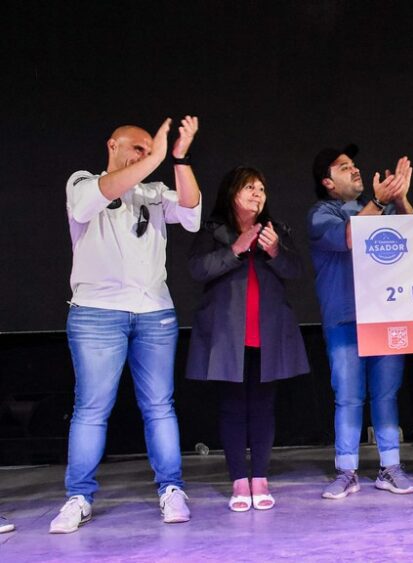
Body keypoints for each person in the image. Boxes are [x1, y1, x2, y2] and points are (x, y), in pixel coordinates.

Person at [51, 117, 201, 534]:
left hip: (154, 312)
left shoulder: (153, 192)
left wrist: (179, 158)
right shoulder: (83, 182)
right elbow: (95, 199)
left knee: (159, 406)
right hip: (96, 313)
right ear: (112, 145)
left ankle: (171, 489)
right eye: (137, 148)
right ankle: (78, 497)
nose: (143, 156)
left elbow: (191, 209)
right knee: (91, 408)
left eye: (147, 150)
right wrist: (154, 158)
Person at [186, 166, 310, 512]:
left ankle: (261, 479)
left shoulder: (275, 230)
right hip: (227, 335)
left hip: (268, 333)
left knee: (263, 407)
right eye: (249, 188)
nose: (258, 194)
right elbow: (197, 269)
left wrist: (276, 252)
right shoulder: (213, 230)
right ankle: (239, 479)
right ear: (232, 193)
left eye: (261, 189)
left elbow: (296, 270)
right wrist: (235, 249)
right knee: (232, 407)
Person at [308, 144, 413, 500]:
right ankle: (347, 471)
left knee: (386, 394)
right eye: (344, 167)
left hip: (385, 317)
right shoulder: (321, 213)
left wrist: (400, 199)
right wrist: (378, 201)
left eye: (354, 164)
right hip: (344, 319)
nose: (354, 169)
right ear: (327, 182)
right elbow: (349, 236)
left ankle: (390, 467)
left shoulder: (380, 207)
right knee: (349, 397)